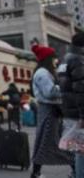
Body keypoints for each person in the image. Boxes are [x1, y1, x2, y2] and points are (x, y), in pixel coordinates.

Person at [30, 43, 74, 178]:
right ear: (47, 59)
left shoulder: (44, 72)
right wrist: (64, 87)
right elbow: (50, 92)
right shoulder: (43, 73)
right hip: (49, 110)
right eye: (54, 57)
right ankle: (75, 168)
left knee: (47, 141)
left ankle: (36, 173)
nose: (56, 60)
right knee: (53, 141)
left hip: (50, 110)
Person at [59, 32, 84, 178]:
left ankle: (75, 173)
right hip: (78, 113)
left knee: (77, 149)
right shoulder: (78, 61)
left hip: (70, 111)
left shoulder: (65, 60)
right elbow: (81, 90)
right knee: (81, 150)